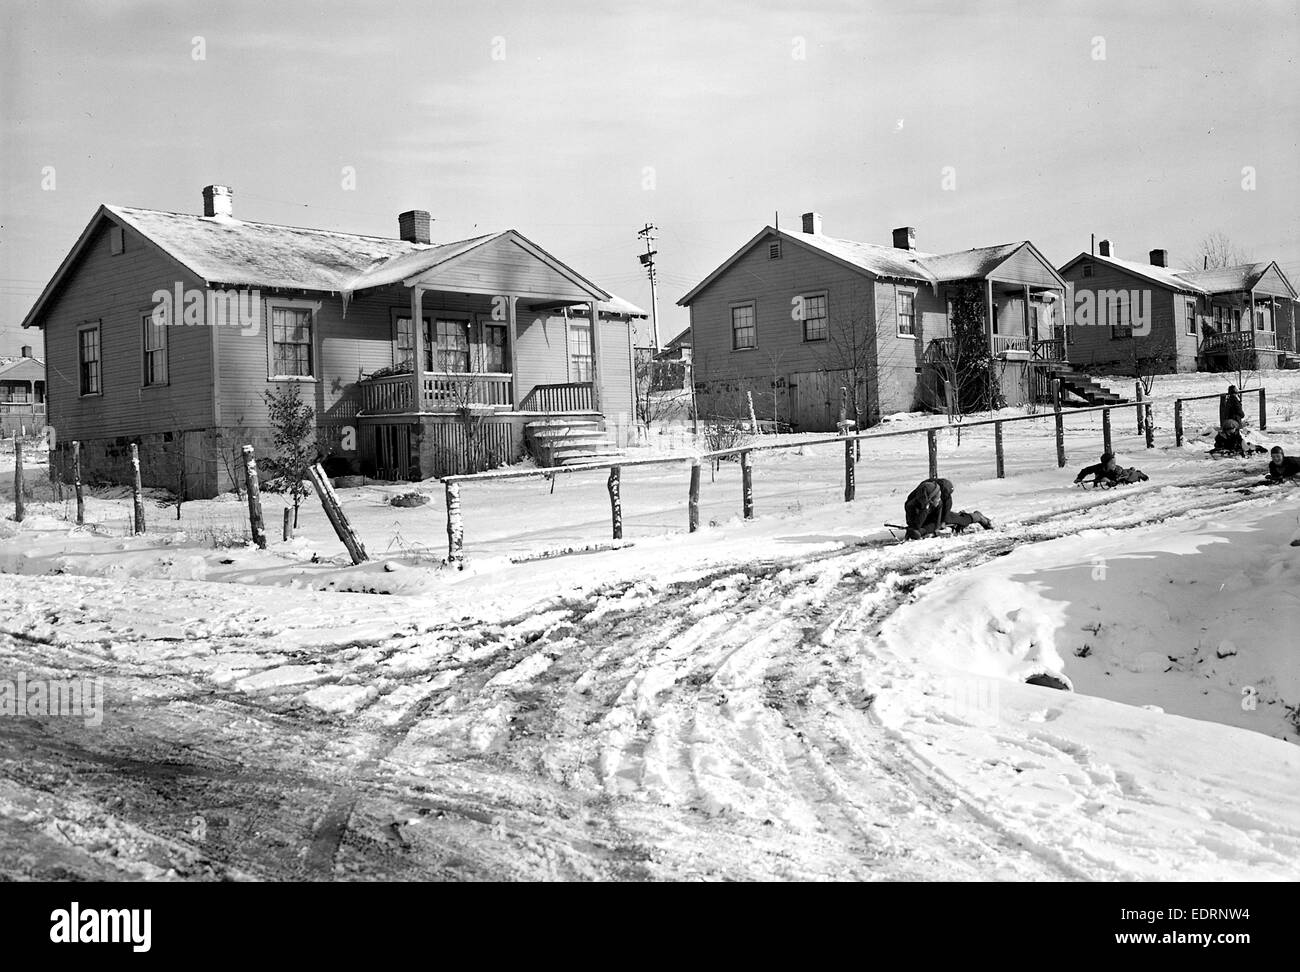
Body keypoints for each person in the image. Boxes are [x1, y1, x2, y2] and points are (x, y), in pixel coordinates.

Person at [903, 477, 992, 539]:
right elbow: (914, 523)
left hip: (935, 512)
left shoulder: (941, 492)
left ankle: (977, 516)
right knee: (920, 526)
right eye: (937, 497)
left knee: (958, 519)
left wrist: (943, 521)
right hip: (927, 511)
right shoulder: (915, 501)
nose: (939, 499)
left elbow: (939, 520)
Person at [1073, 451, 1149, 487]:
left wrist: (1109, 481)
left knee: (1131, 477)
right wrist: (1079, 478)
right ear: (1105, 463)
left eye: (1114, 462)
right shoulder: (1098, 467)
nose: (1114, 464)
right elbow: (1085, 470)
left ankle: (1138, 473)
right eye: (1112, 463)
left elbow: (1115, 482)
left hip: (1123, 474)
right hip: (1109, 476)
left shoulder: (1117, 470)